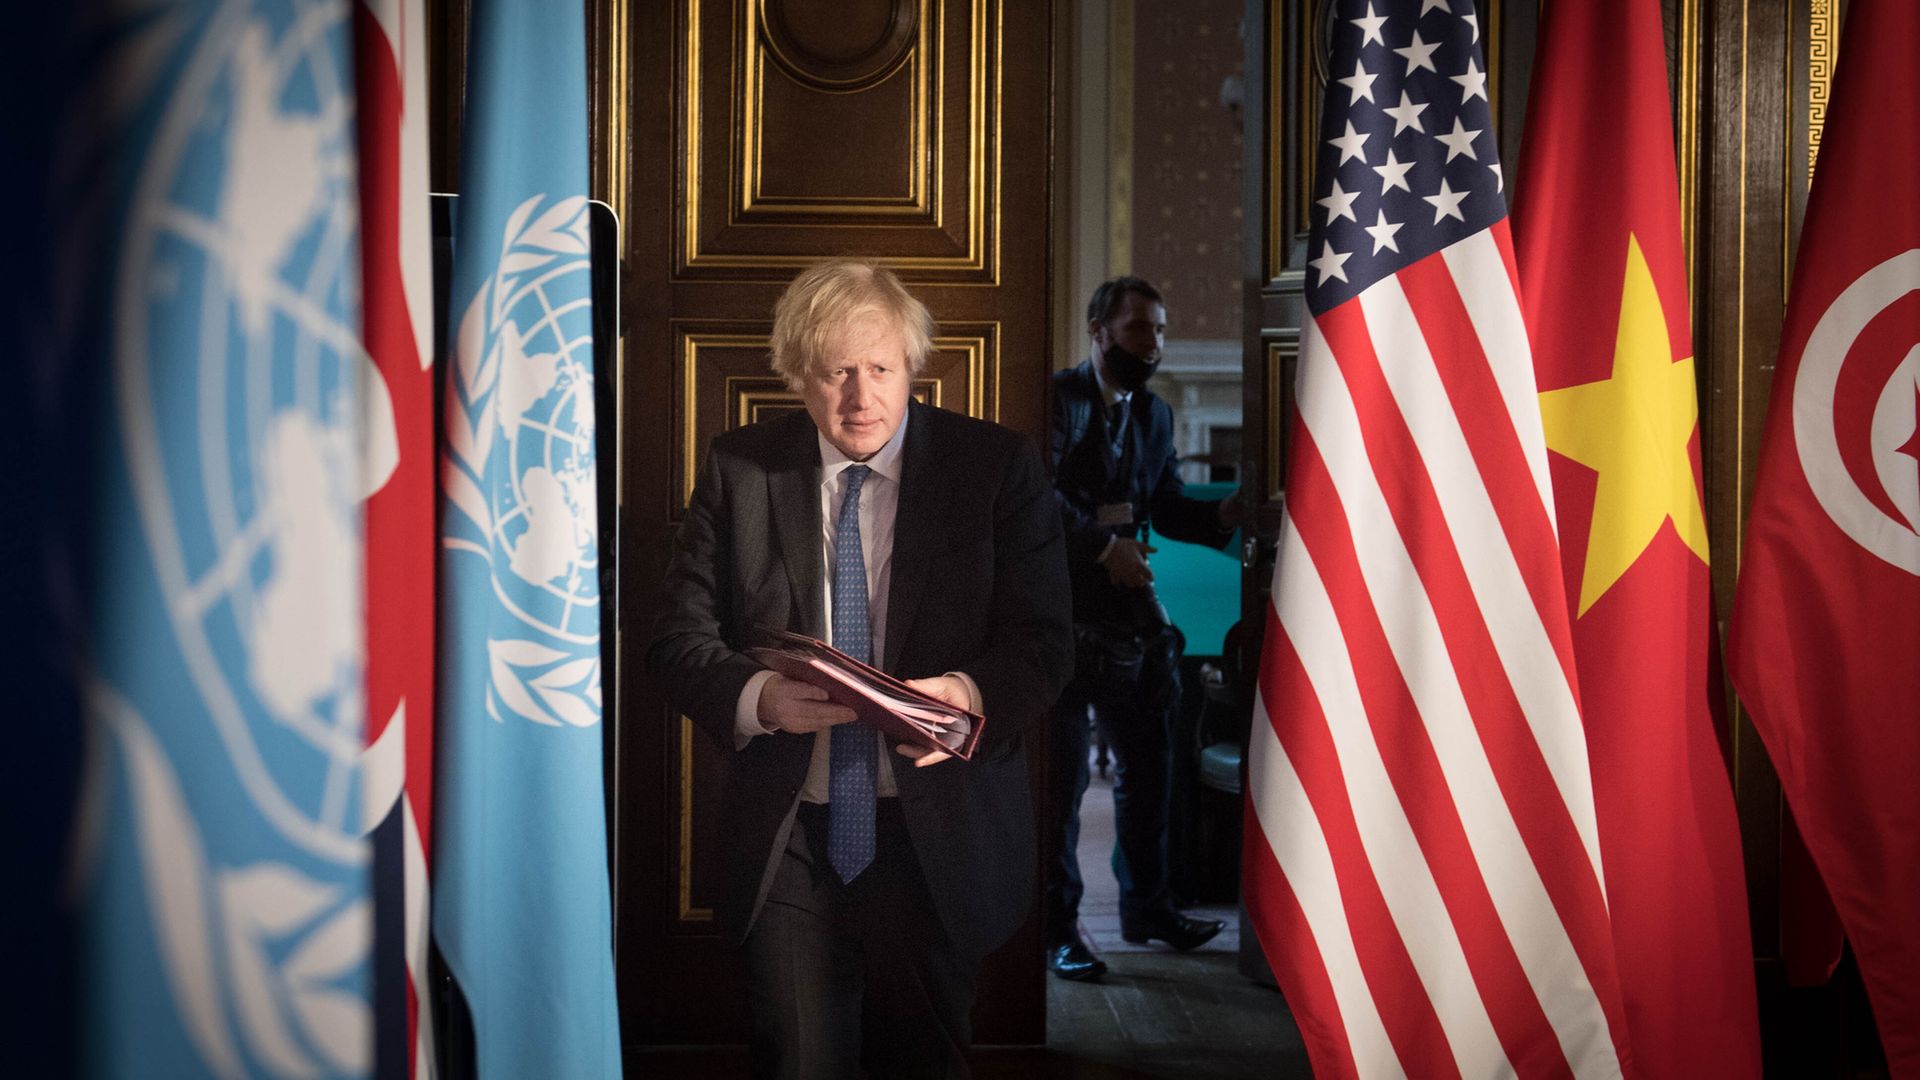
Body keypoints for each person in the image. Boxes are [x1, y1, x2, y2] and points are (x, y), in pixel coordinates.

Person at [647, 259, 1073, 1079]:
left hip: (934, 832)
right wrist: (760, 696)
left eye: (879, 368)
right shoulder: (742, 468)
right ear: (797, 376)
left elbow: (1045, 642)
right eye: (834, 371)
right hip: (792, 831)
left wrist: (963, 697)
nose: (860, 396)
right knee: (798, 1061)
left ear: (911, 366)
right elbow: (678, 637)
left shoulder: (993, 469)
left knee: (923, 1062)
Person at [1044, 276, 1250, 981]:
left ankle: (1149, 911)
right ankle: (1058, 930)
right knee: (1063, 786)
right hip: (1060, 620)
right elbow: (1036, 502)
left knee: (1150, 772)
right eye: (1138, 330)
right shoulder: (1056, 399)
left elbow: (1163, 506)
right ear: (1098, 330)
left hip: (1129, 625)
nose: (1153, 344)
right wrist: (1106, 548)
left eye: (1159, 331)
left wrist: (1224, 515)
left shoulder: (1156, 417)